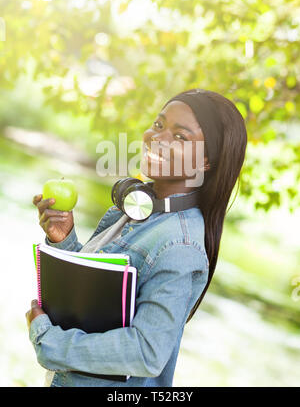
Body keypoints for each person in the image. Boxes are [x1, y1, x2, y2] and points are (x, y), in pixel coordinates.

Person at [26, 88, 247, 387]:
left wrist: (49, 342)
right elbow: (96, 305)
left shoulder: (179, 247)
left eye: (180, 137)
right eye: (158, 125)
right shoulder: (135, 210)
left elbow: (146, 352)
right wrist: (63, 239)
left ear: (206, 162)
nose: (158, 138)